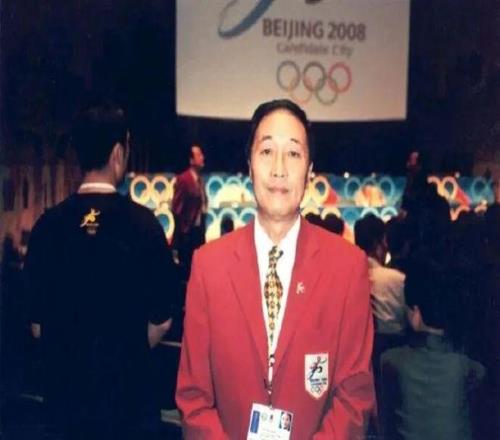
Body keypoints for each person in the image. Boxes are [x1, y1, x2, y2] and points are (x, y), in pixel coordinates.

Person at [176, 99, 375, 439]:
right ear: (250, 166)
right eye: (267, 151)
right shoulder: (209, 266)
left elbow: (354, 398)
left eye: (293, 153)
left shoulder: (347, 268)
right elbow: (193, 397)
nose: (279, 168)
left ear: (309, 171)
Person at [24, 102, 177, 440]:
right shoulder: (145, 225)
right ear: (118, 154)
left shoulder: (47, 227)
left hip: (65, 409)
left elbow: (37, 326)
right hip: (129, 408)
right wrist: (124, 351)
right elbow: (163, 320)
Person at [172, 144, 207, 279]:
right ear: (191, 160)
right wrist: (184, 231)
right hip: (187, 235)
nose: (202, 157)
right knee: (187, 273)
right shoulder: (184, 179)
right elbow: (177, 208)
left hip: (198, 232)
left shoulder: (200, 180)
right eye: (199, 155)